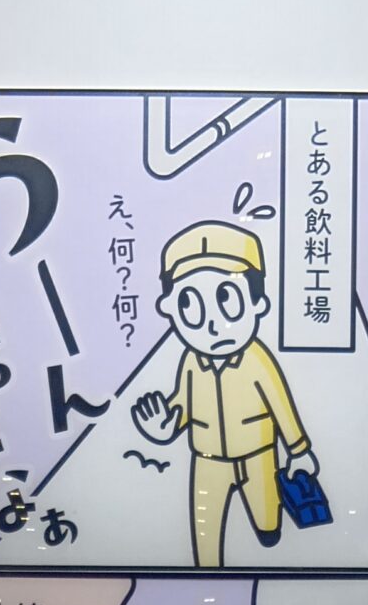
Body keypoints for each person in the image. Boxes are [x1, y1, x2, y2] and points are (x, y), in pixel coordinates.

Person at [130, 219, 321, 567]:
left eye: (227, 300)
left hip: (258, 455)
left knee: (269, 525)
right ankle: (206, 575)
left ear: (257, 303)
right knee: (205, 535)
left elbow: (281, 405)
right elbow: (183, 402)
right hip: (208, 460)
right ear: (170, 309)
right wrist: (166, 425)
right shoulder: (191, 361)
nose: (212, 324)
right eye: (191, 305)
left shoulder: (257, 360)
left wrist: (298, 449)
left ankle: (268, 532)